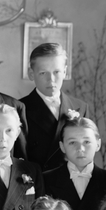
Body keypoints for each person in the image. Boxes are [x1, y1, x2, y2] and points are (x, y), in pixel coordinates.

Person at [19, 42, 90, 172]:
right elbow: (19, 157)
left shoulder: (80, 107)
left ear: (65, 72)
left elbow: (86, 152)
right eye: (43, 73)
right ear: (31, 74)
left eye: (56, 72)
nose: (51, 79)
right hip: (38, 180)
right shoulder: (19, 108)